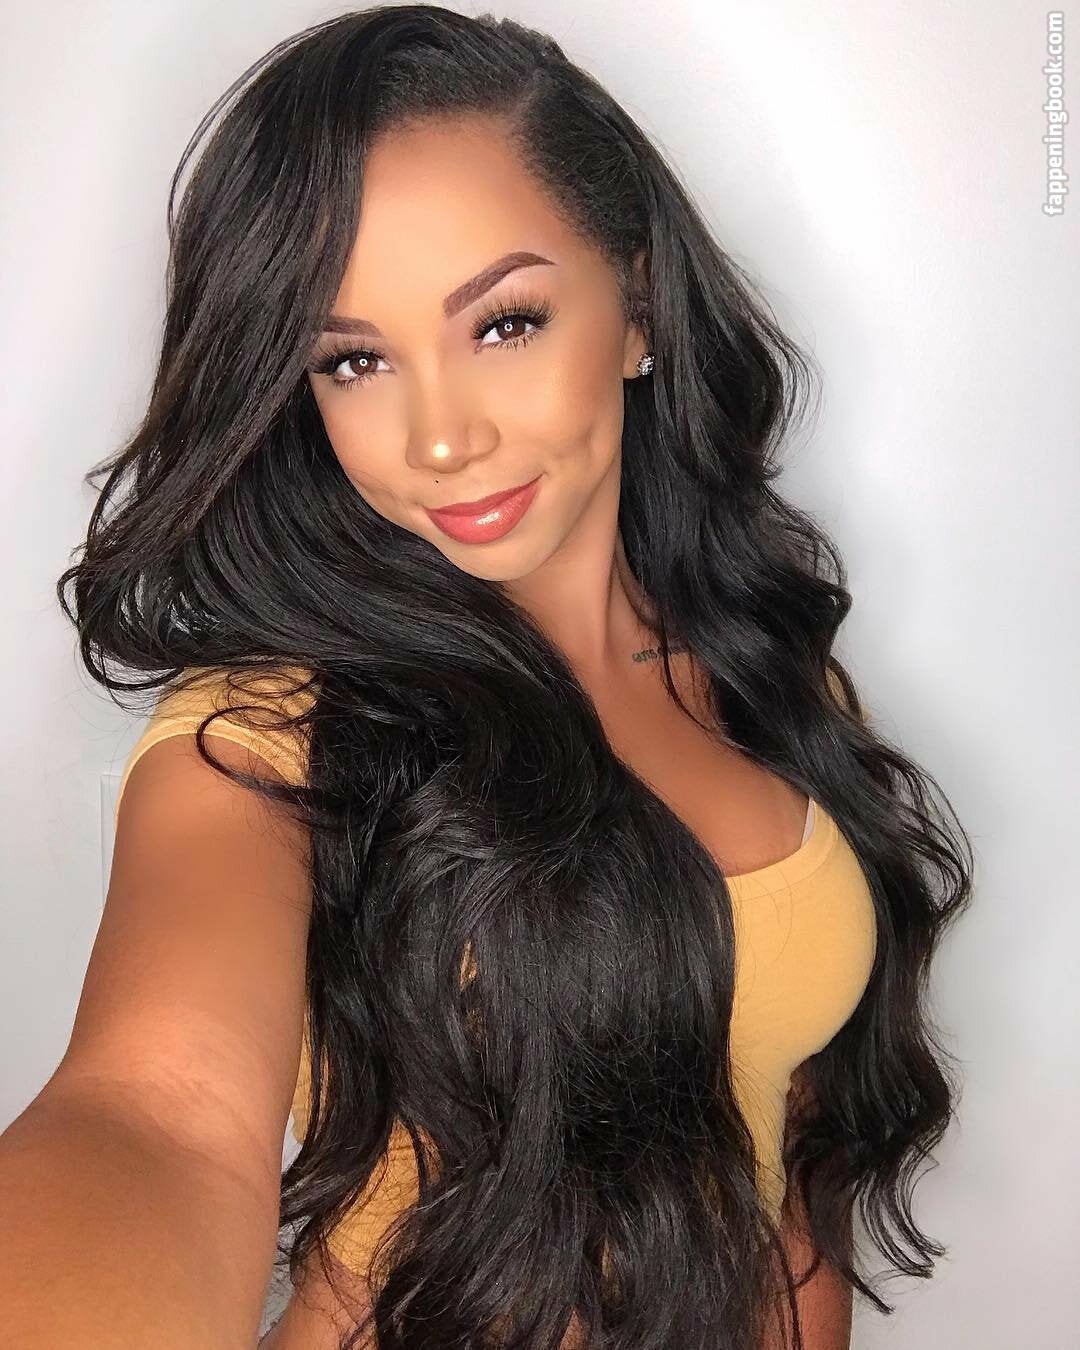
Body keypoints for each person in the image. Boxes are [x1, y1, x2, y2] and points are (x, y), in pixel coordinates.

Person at [1, 7, 974, 1348]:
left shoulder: (767, 671)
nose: (443, 439)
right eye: (353, 360)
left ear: (637, 309)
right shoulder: (271, 734)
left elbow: (793, 1178)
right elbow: (158, 1113)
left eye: (504, 323)